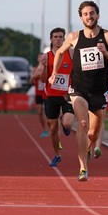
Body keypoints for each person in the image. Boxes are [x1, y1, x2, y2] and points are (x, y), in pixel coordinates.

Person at [49, 1, 108, 181]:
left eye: (92, 13)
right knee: (82, 123)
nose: (89, 17)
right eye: (85, 14)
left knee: (93, 133)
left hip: (99, 91)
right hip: (79, 89)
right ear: (81, 17)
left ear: (97, 15)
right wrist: (54, 73)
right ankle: (83, 168)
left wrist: (106, 53)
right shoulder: (75, 36)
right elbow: (59, 53)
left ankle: (89, 148)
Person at [40, 28, 75, 167]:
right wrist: (43, 67)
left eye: (61, 37)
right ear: (51, 39)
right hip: (52, 96)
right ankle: (57, 155)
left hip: (67, 95)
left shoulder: (70, 53)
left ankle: (64, 122)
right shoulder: (47, 56)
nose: (58, 39)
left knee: (67, 123)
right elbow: (43, 80)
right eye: (55, 37)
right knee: (53, 129)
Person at [30, 53, 49, 138]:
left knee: (48, 113)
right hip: (38, 93)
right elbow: (30, 82)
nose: (42, 58)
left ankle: (51, 129)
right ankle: (44, 130)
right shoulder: (35, 69)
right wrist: (34, 76)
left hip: (46, 92)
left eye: (43, 57)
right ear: (38, 59)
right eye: (40, 57)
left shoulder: (47, 67)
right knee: (40, 112)